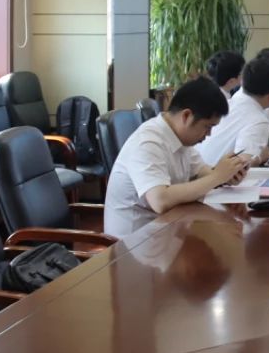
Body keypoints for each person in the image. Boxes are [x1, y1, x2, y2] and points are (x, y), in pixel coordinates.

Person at [104, 77, 249, 239]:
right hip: (134, 243)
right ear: (186, 116)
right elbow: (160, 200)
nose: (208, 134)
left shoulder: (180, 138)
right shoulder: (148, 141)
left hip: (166, 232)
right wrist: (217, 177)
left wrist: (227, 175)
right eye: (207, 126)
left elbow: (201, 171)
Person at [196, 57, 269, 166]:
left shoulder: (227, 104)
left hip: (198, 170)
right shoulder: (258, 121)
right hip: (215, 174)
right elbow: (242, 164)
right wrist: (261, 156)